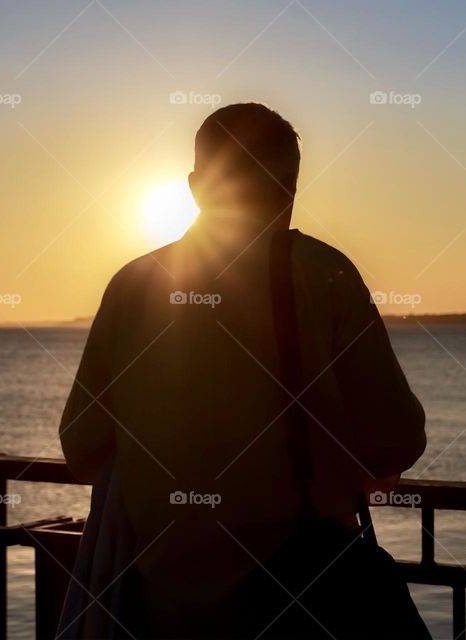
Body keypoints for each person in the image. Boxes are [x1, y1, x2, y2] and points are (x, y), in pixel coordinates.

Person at [59, 103, 427, 638]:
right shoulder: (325, 275)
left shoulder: (133, 284)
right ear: (292, 185)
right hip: (299, 603)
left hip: (158, 609)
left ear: (194, 185)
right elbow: (395, 441)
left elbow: (83, 445)